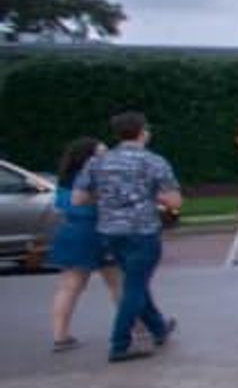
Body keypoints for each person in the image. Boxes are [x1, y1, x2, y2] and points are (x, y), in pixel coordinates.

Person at [73, 110, 181, 363]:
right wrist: (150, 195)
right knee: (135, 286)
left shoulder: (98, 162)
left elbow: (78, 198)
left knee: (135, 280)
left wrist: (108, 196)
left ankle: (158, 328)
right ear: (142, 132)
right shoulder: (153, 161)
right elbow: (174, 201)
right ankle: (119, 343)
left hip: (110, 231)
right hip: (142, 230)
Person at [47, 137, 120, 351]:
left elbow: (62, 205)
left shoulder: (65, 179)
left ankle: (60, 335)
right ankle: (137, 325)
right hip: (97, 231)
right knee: (117, 282)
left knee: (69, 285)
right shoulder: (95, 178)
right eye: (102, 153)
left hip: (70, 231)